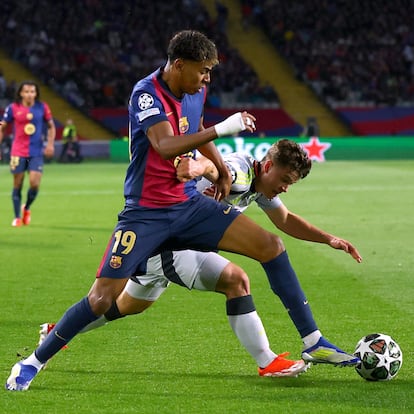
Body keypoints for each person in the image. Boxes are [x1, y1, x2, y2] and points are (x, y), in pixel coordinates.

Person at [5, 30, 361, 391]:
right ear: (179, 65)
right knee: (102, 299)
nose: (207, 78)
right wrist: (223, 134)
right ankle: (32, 362)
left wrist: (218, 167)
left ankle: (312, 341)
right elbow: (163, 145)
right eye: (203, 71)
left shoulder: (196, 92)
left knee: (271, 246)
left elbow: (199, 130)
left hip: (189, 205)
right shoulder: (146, 93)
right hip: (145, 213)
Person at [40, 139, 361, 368]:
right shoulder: (241, 173)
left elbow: (286, 220)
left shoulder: (258, 184)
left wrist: (329, 239)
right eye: (285, 180)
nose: (285, 188)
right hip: (168, 239)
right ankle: (280, 356)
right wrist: (198, 165)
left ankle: (59, 332)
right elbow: (218, 169)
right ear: (267, 166)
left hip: (166, 243)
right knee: (236, 280)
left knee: (124, 306)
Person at [0, 80, 56, 227]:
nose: (30, 94)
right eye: (26, 92)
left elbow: (51, 126)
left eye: (32, 91)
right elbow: (2, 127)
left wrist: (50, 144)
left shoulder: (42, 107)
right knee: (17, 183)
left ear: (36, 93)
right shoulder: (13, 108)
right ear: (21, 93)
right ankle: (17, 217)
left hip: (36, 152)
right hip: (18, 152)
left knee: (34, 183)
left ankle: (27, 207)